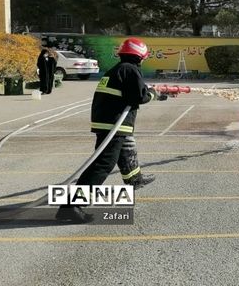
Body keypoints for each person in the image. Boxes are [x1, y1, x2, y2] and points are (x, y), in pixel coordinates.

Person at [55, 37, 165, 223]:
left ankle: (134, 178)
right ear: (140, 55)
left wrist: (153, 93)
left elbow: (133, 92)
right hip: (113, 125)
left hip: (108, 123)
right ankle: (70, 206)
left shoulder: (119, 69)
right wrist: (153, 95)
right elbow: (137, 97)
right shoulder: (130, 70)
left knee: (122, 153)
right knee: (102, 165)